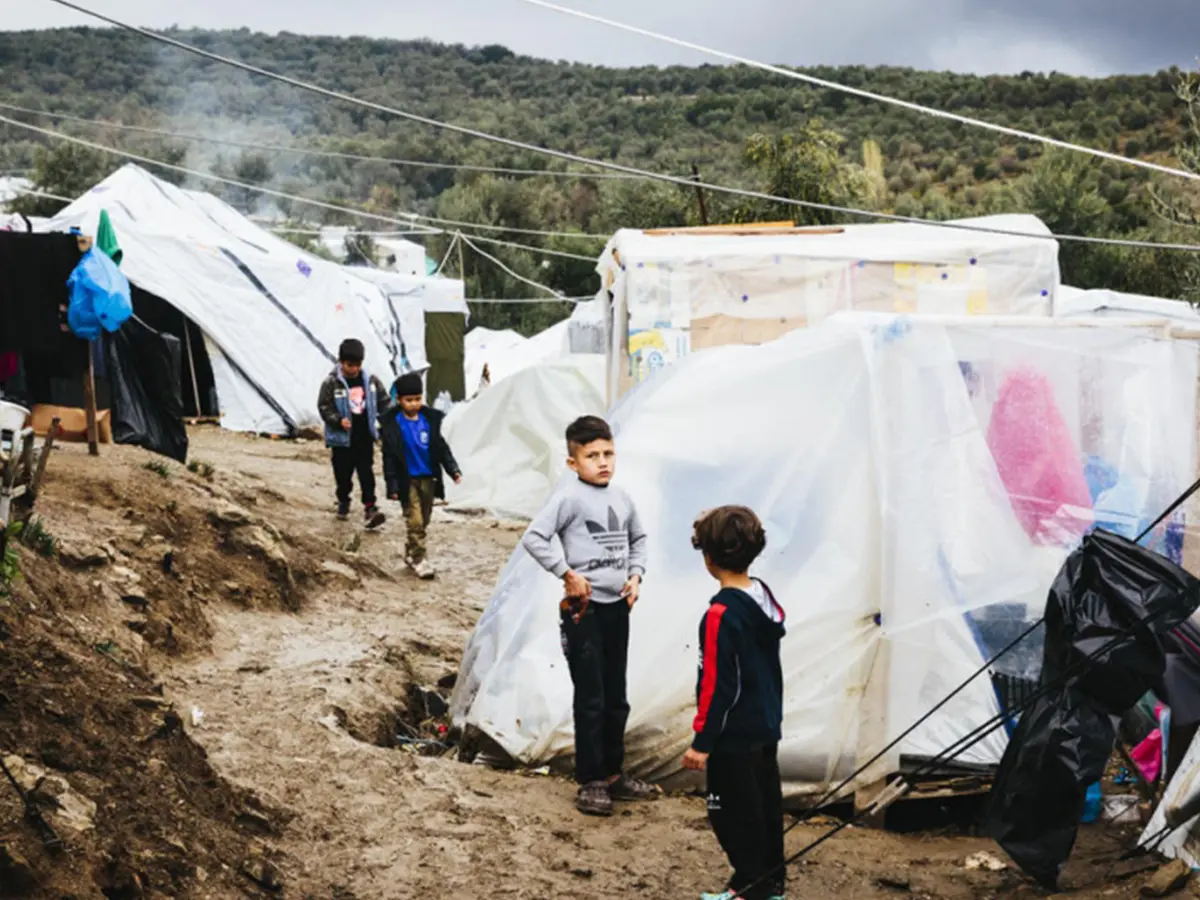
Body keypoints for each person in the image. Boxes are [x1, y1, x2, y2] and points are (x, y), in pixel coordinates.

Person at [522, 415, 658, 816]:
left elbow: (639, 539)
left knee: (617, 694)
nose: (602, 462)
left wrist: (636, 575)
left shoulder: (623, 498)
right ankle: (591, 780)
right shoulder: (569, 500)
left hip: (619, 608)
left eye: (608, 453)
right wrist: (567, 574)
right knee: (592, 695)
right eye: (592, 455)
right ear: (572, 462)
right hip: (585, 611)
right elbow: (534, 537)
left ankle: (615, 774)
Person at [683, 506, 787, 900]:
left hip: (733, 734)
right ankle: (766, 883)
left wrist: (702, 742)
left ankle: (752, 887)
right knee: (764, 808)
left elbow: (716, 685)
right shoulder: (762, 596)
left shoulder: (719, 614)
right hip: (765, 723)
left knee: (729, 813)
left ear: (708, 559)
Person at [380, 371, 462, 580]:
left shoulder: (429, 422)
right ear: (399, 400)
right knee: (414, 521)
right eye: (409, 400)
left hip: (429, 479)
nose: (414, 404)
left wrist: (453, 470)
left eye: (417, 399)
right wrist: (392, 485)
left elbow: (441, 449)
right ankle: (419, 558)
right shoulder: (393, 426)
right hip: (407, 480)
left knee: (424, 520)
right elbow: (389, 458)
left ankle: (410, 550)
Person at [317, 338, 388, 529]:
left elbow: (384, 401)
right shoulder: (332, 383)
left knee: (366, 472)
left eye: (357, 365)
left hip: (364, 436)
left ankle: (370, 507)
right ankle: (343, 499)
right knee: (343, 473)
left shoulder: (370, 381)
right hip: (342, 439)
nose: (354, 369)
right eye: (350, 365)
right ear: (341, 362)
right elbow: (324, 406)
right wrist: (337, 420)